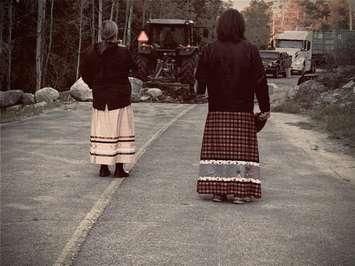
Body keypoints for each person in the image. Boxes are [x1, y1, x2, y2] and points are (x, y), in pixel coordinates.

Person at [195, 9, 270, 203]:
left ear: (220, 26)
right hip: (242, 110)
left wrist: (200, 92)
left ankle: (218, 191)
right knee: (240, 151)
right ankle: (239, 192)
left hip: (217, 109)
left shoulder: (210, 49)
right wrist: (265, 107)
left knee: (218, 149)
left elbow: (200, 76)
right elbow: (260, 81)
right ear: (241, 26)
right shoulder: (250, 49)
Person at [80, 20, 137, 177]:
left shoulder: (90, 51)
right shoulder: (123, 52)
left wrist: (94, 85)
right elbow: (134, 68)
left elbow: (84, 73)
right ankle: (119, 168)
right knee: (121, 131)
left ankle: (103, 167)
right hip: (119, 98)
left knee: (102, 131)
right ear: (115, 33)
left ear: (101, 33)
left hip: (100, 97)